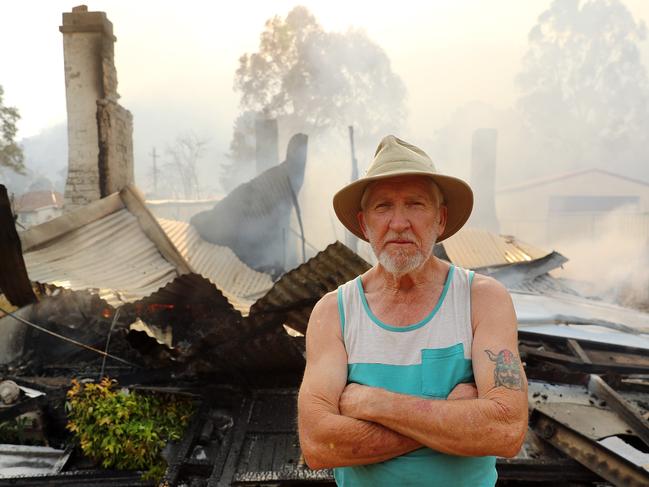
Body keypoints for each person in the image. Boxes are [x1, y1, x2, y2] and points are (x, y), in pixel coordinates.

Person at [297, 135, 528, 486]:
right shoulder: (334, 312)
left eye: (416, 204)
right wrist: (454, 418)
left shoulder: (482, 300)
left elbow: (506, 430)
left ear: (441, 219)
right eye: (383, 206)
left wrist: (373, 404)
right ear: (364, 224)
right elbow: (318, 443)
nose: (400, 222)